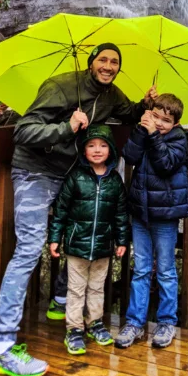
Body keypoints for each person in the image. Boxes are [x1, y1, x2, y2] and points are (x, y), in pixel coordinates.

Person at [0, 42, 156, 376]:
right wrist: (67, 127)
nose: (108, 66)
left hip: (68, 174)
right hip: (35, 172)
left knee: (84, 226)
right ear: (91, 62)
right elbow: (23, 131)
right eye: (103, 60)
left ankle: (60, 299)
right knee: (29, 250)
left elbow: (127, 112)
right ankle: (2, 349)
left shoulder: (111, 94)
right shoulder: (60, 86)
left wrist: (146, 105)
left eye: (114, 62)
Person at [115, 93, 188, 350]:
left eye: (165, 121)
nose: (159, 123)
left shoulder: (179, 139)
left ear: (175, 124)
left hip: (165, 215)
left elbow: (166, 164)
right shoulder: (145, 131)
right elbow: (130, 156)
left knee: (166, 270)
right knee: (141, 269)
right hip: (140, 211)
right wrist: (140, 128)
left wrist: (153, 136)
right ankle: (135, 322)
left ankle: (167, 321)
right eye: (155, 117)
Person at [48, 124, 129, 355]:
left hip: (103, 246)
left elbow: (121, 214)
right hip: (77, 246)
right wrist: (55, 238)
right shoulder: (75, 177)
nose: (97, 150)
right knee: (75, 289)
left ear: (111, 151)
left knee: (96, 288)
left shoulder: (115, 181)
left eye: (103, 146)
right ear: (83, 151)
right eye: (91, 145)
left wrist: (122, 241)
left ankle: (94, 323)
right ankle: (74, 329)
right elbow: (61, 209)